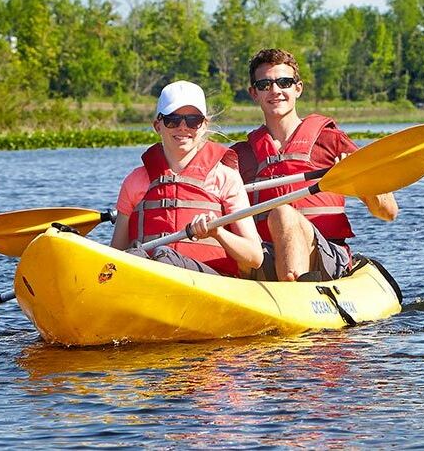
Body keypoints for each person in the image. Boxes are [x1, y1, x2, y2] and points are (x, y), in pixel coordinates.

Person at [231, 48, 398, 282]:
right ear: (253, 93)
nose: (275, 90)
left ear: (298, 88)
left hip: (325, 257)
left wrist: (358, 181)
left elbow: (388, 212)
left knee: (283, 214)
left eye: (284, 82)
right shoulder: (240, 156)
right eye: (264, 85)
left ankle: (296, 295)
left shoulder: (332, 141)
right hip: (264, 257)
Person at [110, 80, 263, 277]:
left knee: (163, 256)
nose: (183, 127)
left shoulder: (226, 178)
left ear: (204, 125)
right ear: (158, 125)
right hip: (148, 278)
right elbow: (114, 257)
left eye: (193, 120)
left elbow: (255, 257)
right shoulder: (135, 181)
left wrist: (218, 232)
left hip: (209, 284)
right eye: (173, 120)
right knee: (138, 256)